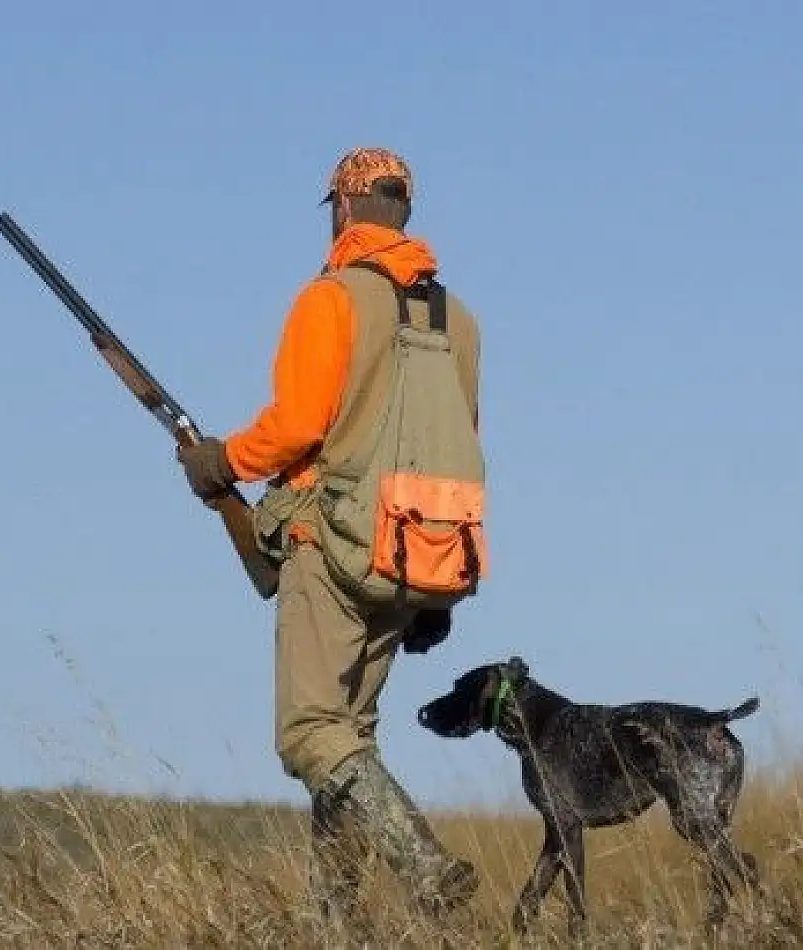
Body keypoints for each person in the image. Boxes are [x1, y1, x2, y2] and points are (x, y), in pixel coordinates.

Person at [177, 147, 485, 930]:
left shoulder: (331, 298)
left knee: (311, 734)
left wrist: (221, 462)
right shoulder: (460, 321)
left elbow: (295, 427)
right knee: (351, 740)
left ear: (342, 210)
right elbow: (462, 441)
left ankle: (424, 865)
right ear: (404, 214)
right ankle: (337, 923)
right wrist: (434, 595)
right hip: (418, 557)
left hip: (332, 546)